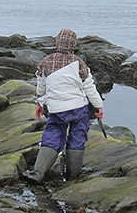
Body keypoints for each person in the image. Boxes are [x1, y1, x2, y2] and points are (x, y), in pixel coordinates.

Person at [23, 28, 104, 184]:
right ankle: (73, 176)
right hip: (78, 108)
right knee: (78, 137)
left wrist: (40, 102)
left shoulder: (46, 61)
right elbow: (89, 87)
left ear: (57, 42)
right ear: (73, 44)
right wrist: (98, 107)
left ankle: (38, 173)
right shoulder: (79, 62)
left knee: (52, 135)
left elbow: (41, 86)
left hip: (56, 109)